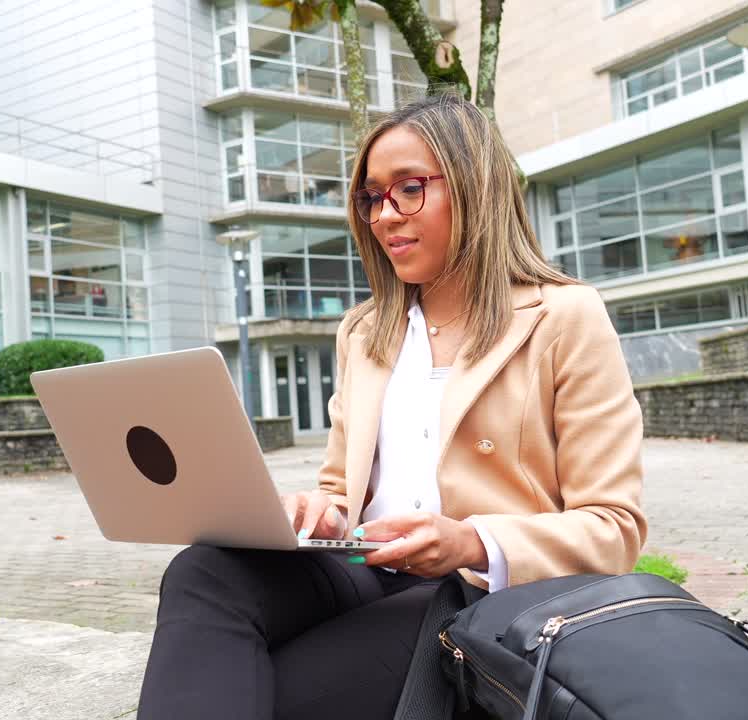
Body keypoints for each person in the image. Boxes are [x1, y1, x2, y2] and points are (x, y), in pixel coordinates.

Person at [137, 94, 647, 720]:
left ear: (474, 187)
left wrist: (469, 541)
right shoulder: (365, 331)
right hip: (362, 567)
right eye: (373, 197)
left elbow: (613, 529)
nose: (385, 216)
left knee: (267, 685)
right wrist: (321, 513)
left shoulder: (563, 316)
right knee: (204, 570)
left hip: (480, 593)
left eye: (409, 189)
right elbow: (342, 488)